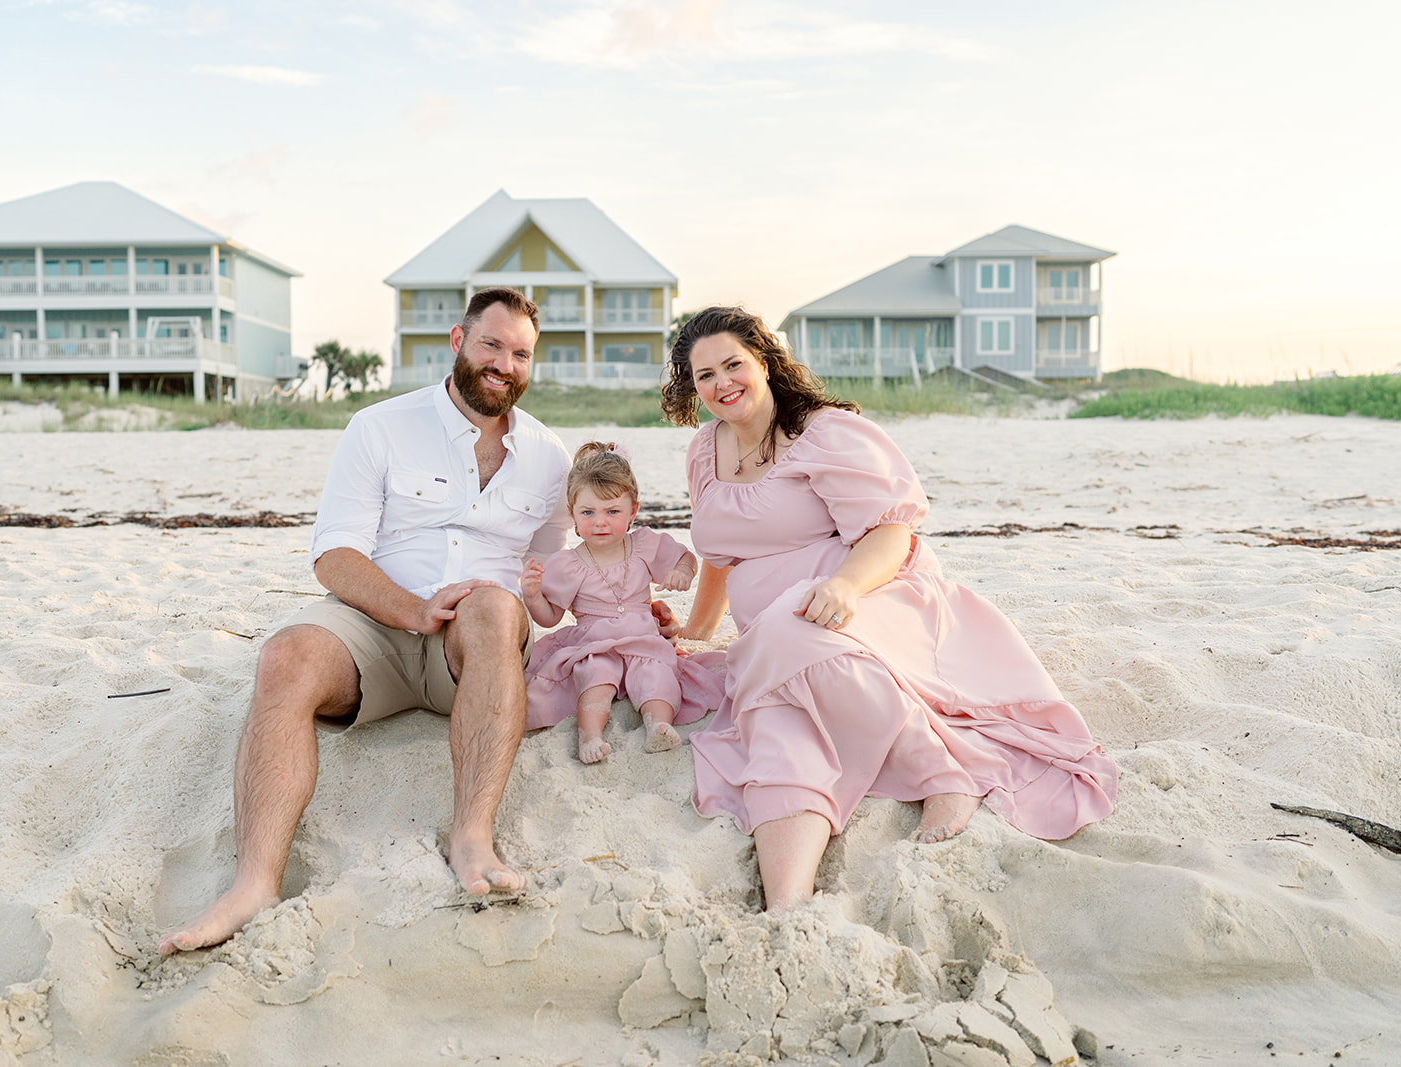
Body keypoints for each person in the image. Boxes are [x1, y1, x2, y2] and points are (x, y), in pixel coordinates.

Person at [158, 287, 571, 955]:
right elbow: (334, 555)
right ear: (458, 341)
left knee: (496, 605)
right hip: (375, 626)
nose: (504, 363)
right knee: (285, 655)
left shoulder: (551, 457)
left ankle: (472, 838)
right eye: (492, 344)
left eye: (521, 353)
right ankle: (254, 880)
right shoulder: (380, 426)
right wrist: (412, 608)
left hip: (475, 648)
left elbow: (551, 582)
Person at [663, 307, 1118, 913]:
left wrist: (846, 586)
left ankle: (942, 773)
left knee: (786, 629)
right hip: (778, 636)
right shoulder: (704, 452)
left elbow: (891, 532)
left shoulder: (823, 433)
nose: (721, 384)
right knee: (776, 728)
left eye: (733, 365)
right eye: (704, 376)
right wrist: (698, 630)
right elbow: (720, 557)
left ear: (766, 363)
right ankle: (788, 906)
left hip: (870, 598)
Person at [520, 442, 725, 763]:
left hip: (644, 637)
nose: (600, 522)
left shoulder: (643, 545)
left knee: (656, 672)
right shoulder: (567, 563)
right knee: (595, 675)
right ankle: (590, 736)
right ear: (572, 512)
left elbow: (686, 557)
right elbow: (550, 617)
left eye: (612, 511)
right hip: (594, 640)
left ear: (633, 510)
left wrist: (682, 572)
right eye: (588, 512)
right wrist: (532, 596)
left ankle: (658, 724)